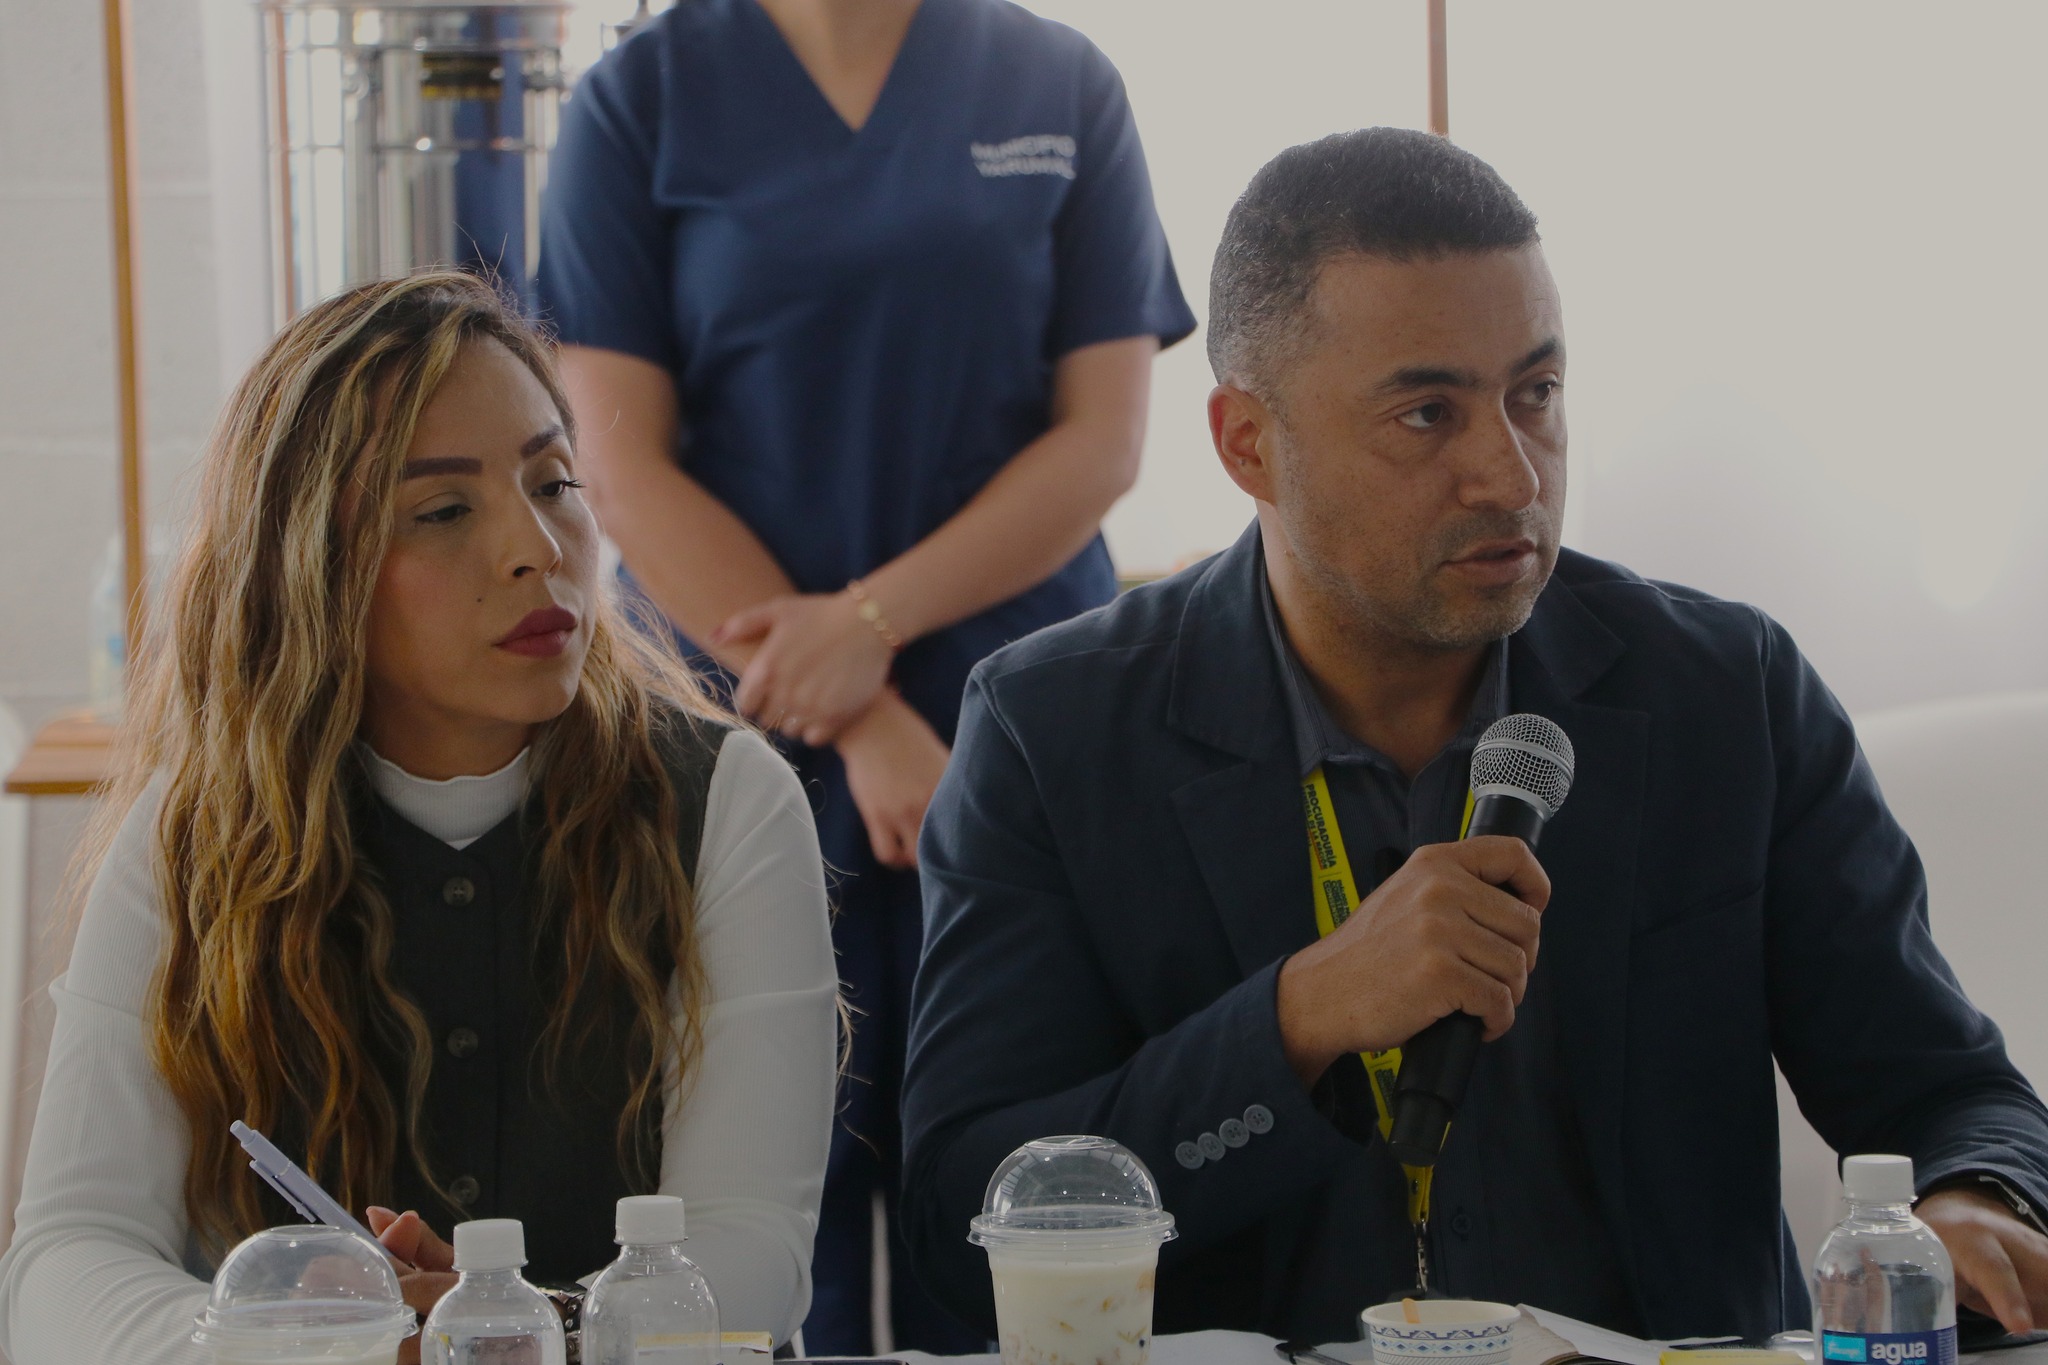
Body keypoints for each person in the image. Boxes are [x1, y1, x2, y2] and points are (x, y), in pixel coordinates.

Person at [900, 128, 2048, 1345]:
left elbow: (1949, 1094)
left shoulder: (1724, 695)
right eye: (1425, 414)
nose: (1509, 475)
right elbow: (957, 1215)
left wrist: (1971, 1199)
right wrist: (1296, 1020)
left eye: (1534, 395)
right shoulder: (1054, 731)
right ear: (1247, 444)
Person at [0, 273, 837, 1365]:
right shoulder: (191, 836)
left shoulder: (726, 799)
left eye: (554, 481)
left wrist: (527, 1330)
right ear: (309, 565)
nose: (535, 547)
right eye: (443, 511)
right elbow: (65, 1258)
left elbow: (755, 1249)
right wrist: (311, 1343)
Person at [533, 0, 1195, 1349]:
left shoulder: (1059, 84)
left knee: (1023, 1181)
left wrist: (874, 625)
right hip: (737, 738)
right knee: (759, 1191)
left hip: (1018, 735)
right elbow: (617, 464)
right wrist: (861, 712)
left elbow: (1102, 440)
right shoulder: (640, 103)